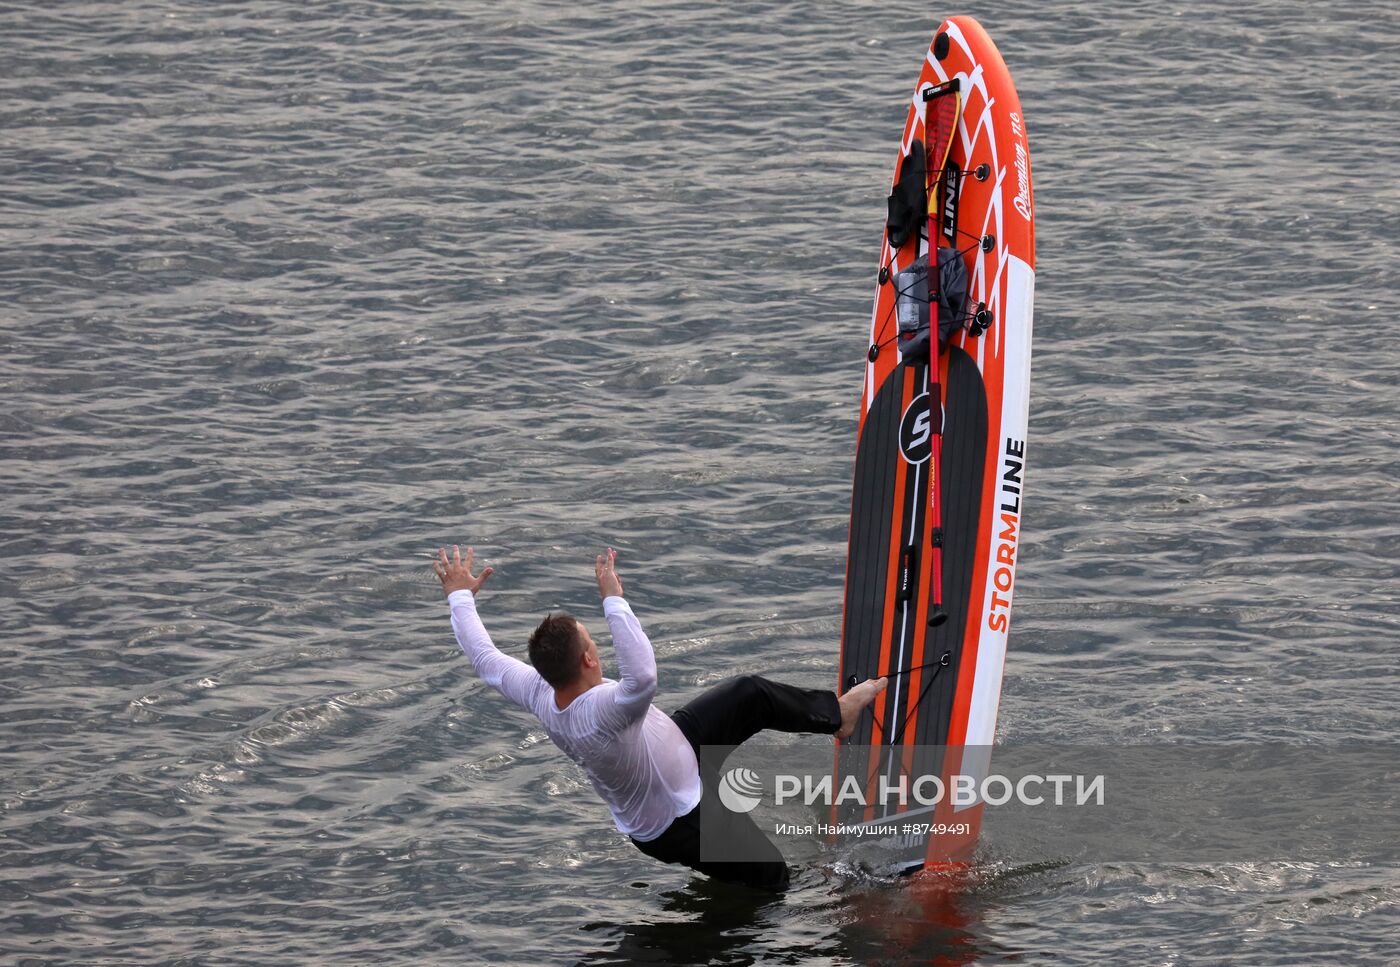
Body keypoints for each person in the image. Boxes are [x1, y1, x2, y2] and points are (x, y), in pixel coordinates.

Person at [432, 544, 887, 890]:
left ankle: (838, 716)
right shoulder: (604, 713)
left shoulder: (539, 689)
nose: (598, 648)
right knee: (772, 884)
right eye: (593, 643)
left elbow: (486, 659)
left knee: (750, 694)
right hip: (680, 818)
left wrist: (459, 598)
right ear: (589, 660)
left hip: (677, 746)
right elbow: (643, 677)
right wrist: (613, 599)